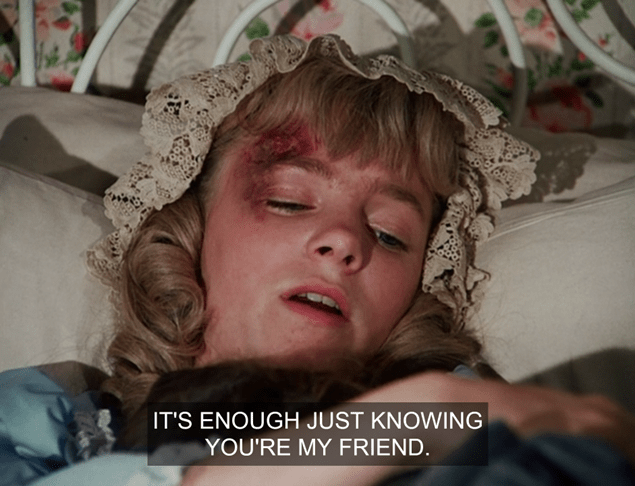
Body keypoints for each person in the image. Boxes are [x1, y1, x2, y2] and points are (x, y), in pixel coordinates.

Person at [1, 34, 634, 486]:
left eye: (390, 234)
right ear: (191, 227)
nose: (345, 241)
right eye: (288, 200)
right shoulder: (52, 425)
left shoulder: (477, 422)